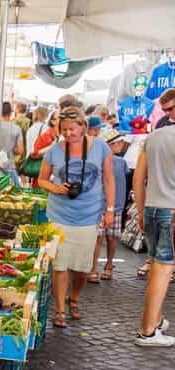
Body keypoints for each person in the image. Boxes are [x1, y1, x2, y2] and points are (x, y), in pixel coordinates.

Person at [37, 108, 115, 329]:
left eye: (72, 129)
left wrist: (110, 209)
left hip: (89, 216)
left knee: (81, 267)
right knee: (60, 265)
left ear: (83, 126)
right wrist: (56, 188)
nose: (68, 134)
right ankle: (60, 308)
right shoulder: (54, 150)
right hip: (59, 215)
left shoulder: (100, 147)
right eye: (64, 130)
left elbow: (109, 179)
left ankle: (75, 299)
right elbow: (42, 180)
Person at [133, 88, 175, 346]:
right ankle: (147, 331)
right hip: (171, 212)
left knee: (156, 266)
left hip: (152, 208)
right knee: (164, 268)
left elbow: (138, 179)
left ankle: (156, 320)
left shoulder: (153, 137)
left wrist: (140, 210)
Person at [88, 128, 129, 284]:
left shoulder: (121, 162)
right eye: (119, 142)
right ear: (111, 145)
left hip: (110, 205)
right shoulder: (102, 162)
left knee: (106, 238)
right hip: (108, 205)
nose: (121, 144)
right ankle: (97, 267)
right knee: (103, 238)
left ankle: (106, 265)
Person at [0, 101, 24, 184]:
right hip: (8, 165)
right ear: (11, 112)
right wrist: (11, 149)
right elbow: (20, 150)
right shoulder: (16, 128)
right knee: (16, 191)